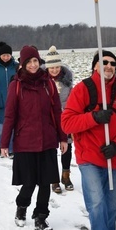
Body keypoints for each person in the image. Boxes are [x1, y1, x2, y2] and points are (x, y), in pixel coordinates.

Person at [61, 50, 116, 230]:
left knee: (115, 204)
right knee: (97, 204)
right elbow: (67, 123)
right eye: (104, 62)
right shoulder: (83, 89)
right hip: (90, 157)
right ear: (95, 66)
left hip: (115, 157)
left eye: (113, 64)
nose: (109, 66)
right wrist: (94, 118)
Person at [0, 45, 68, 230]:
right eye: (28, 61)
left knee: (45, 182)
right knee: (29, 183)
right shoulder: (16, 85)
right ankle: (21, 207)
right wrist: (4, 142)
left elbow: (56, 111)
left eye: (35, 61)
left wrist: (62, 137)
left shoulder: (48, 83)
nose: (32, 64)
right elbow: (10, 116)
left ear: (40, 61)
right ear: (22, 64)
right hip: (25, 142)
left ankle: (41, 216)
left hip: (47, 140)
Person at [43, 45, 75, 194]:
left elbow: (72, 100)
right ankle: (53, 179)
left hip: (65, 119)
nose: (55, 70)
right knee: (51, 150)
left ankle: (66, 175)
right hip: (49, 121)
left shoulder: (67, 82)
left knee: (66, 148)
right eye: (51, 68)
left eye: (57, 67)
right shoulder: (42, 83)